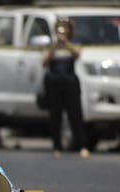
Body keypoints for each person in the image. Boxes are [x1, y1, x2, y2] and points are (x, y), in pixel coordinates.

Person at [42, 17, 90, 159]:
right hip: (54, 82)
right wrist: (55, 46)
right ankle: (57, 146)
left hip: (70, 82)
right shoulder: (52, 46)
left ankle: (82, 145)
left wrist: (66, 43)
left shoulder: (73, 44)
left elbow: (77, 54)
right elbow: (44, 62)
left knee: (75, 115)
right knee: (55, 115)